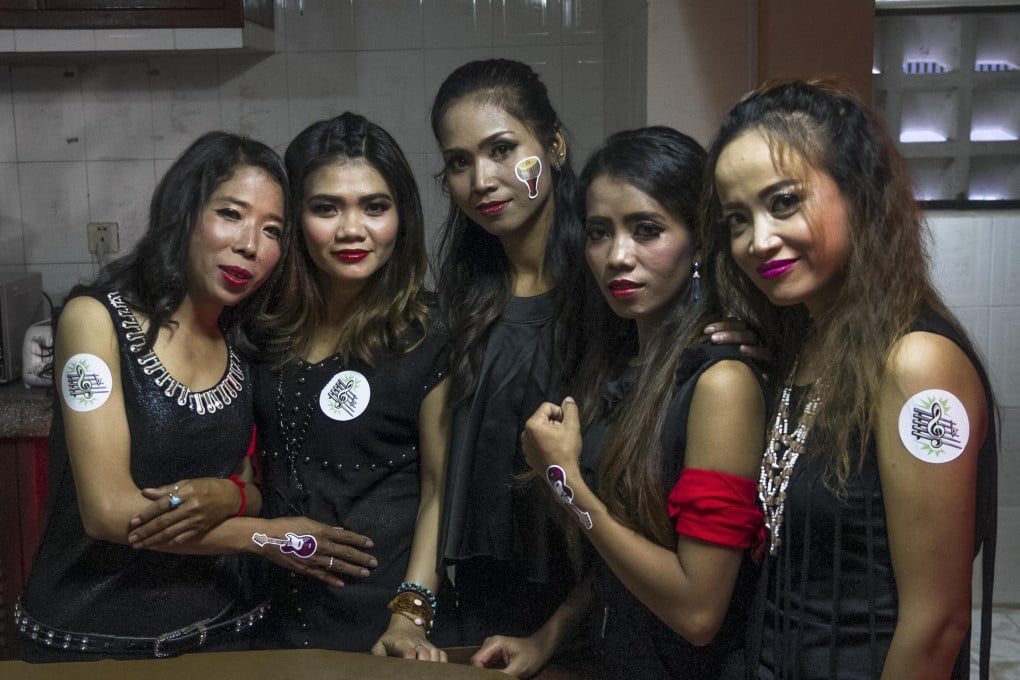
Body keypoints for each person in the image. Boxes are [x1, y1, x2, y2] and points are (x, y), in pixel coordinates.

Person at [430, 57, 760, 649]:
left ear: (553, 145)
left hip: (609, 614)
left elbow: (693, 598)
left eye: (503, 149)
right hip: (514, 614)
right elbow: (438, 480)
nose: (482, 179)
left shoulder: (619, 305)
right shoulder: (462, 298)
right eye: (459, 162)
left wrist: (758, 335)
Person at [703, 79, 998, 679]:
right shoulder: (805, 346)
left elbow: (939, 621)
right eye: (738, 218)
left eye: (784, 202)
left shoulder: (917, 366)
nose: (758, 241)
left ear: (859, 194)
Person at [14, 132, 290, 661]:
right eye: (231, 214)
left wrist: (230, 496)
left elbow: (254, 484)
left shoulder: (246, 340)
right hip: (93, 643)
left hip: (227, 634)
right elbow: (109, 511)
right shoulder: (94, 321)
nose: (251, 244)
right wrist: (263, 537)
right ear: (184, 213)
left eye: (272, 230)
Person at [247, 112, 451, 659]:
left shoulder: (430, 335)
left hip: (381, 625)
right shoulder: (262, 329)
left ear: (400, 217)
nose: (352, 229)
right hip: (267, 614)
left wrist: (411, 615)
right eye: (326, 207)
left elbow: (439, 491)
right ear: (295, 221)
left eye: (374, 207)